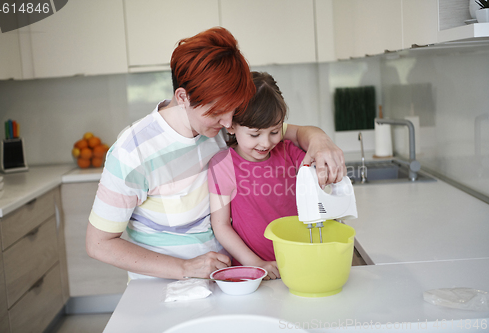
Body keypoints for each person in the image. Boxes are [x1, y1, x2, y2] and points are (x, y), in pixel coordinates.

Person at [85, 27, 346, 281]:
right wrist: (185, 267)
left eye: (232, 109)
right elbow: (99, 244)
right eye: (217, 112)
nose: (227, 122)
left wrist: (321, 141)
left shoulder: (228, 127)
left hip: (233, 279)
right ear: (183, 97)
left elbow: (295, 133)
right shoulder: (133, 152)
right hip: (168, 289)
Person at [208, 72, 307, 280]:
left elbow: (314, 167)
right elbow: (221, 225)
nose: (266, 143)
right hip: (254, 271)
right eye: (255, 134)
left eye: (275, 131)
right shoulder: (223, 165)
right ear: (232, 126)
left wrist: (324, 167)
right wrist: (256, 264)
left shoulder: (287, 151)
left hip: (299, 259)